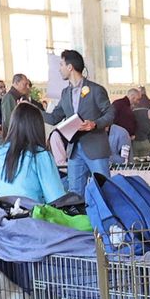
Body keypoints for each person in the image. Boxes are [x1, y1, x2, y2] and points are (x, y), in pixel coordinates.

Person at [44, 49, 115, 194]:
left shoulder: (96, 90)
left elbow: (111, 113)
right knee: (75, 193)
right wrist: (31, 110)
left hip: (95, 148)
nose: (59, 69)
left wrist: (94, 124)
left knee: (104, 190)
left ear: (70, 67)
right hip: (74, 151)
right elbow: (54, 118)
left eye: (61, 64)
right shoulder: (65, 93)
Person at [0, 102, 65, 203]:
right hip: (33, 216)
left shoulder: (1, 151)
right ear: (37, 127)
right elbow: (56, 198)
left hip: (4, 214)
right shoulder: (40, 155)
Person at [128, 88, 150, 158]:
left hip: (134, 141)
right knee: (146, 165)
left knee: (135, 165)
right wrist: (149, 138)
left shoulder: (131, 107)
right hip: (145, 141)